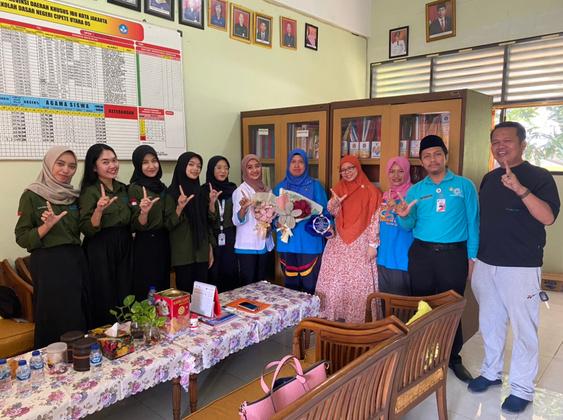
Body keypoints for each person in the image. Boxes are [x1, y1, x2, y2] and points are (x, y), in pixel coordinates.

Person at [467, 122, 560, 414]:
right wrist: (474, 260)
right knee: (490, 322)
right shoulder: (488, 178)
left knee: (524, 329)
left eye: (507, 140)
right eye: (495, 141)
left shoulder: (540, 177)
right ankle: (491, 372)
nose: (500, 146)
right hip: (486, 263)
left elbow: (548, 217)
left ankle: (521, 388)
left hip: (521, 266)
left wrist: (520, 189)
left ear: (522, 144)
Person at [396, 134, 478, 383]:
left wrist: (472, 258)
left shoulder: (464, 186)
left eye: (437, 154)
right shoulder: (416, 190)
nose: (432, 160)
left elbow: (473, 223)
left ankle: (453, 358)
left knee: (451, 306)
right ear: (421, 161)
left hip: (454, 255)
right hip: (422, 254)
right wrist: (402, 215)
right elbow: (408, 225)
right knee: (422, 305)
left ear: (445, 156)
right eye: (427, 156)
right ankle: (421, 354)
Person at [15, 146, 87, 347]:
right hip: (48, 262)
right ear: (48, 165)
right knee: (51, 314)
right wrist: (46, 227)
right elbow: (21, 237)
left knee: (76, 311)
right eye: (60, 164)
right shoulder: (32, 195)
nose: (66, 170)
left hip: (75, 258)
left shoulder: (73, 196)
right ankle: (51, 360)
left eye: (72, 166)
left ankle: (78, 356)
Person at [315, 155, 382, 323]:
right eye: (343, 170)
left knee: (357, 283)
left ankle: (357, 319)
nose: (347, 172)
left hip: (361, 241)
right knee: (335, 281)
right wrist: (335, 204)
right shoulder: (339, 188)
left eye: (350, 168)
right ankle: (333, 316)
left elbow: (375, 218)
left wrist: (373, 244)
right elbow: (332, 213)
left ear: (358, 168)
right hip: (339, 240)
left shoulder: (371, 191)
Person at [79, 144, 132, 328]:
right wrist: (99, 210)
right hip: (100, 246)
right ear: (94, 167)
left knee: (125, 290)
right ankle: (105, 335)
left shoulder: (123, 188)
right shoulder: (90, 191)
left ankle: (125, 332)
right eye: (105, 162)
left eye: (114, 160)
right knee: (104, 293)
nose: (112, 165)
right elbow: (86, 228)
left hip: (124, 243)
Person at [273, 149, 329, 294]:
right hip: (287, 244)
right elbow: (271, 216)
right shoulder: (280, 188)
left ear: (306, 165)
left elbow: (325, 213)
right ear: (288, 164)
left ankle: (310, 311)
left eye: (301, 162)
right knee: (290, 289)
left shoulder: (315, 186)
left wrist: (322, 225)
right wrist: (276, 223)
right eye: (293, 162)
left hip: (310, 244)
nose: (297, 165)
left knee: (310, 288)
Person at [128, 145, 181, 300]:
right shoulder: (134, 189)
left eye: (154, 161)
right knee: (146, 287)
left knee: (162, 286)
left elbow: (169, 222)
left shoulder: (163, 188)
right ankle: (146, 315)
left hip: (163, 242)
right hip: (144, 244)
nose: (151, 166)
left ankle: (161, 316)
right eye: (145, 162)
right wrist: (144, 212)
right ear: (138, 165)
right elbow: (135, 225)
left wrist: (179, 208)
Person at [168, 152, 214, 293]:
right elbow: (168, 225)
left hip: (201, 253)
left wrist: (210, 248)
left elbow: (208, 223)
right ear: (182, 166)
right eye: (191, 164)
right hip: (183, 255)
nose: (195, 169)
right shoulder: (171, 193)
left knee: (202, 296)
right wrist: (179, 208)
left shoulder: (201, 192)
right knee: (185, 296)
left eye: (199, 166)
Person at [232, 154, 274, 285]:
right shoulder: (240, 191)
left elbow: (273, 215)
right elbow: (236, 221)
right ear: (244, 170)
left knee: (263, 284)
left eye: (257, 166)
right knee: (248, 287)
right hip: (247, 246)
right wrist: (243, 209)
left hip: (265, 243)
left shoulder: (267, 190)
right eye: (250, 167)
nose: (254, 170)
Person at [377, 156, 413, 295]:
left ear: (407, 172)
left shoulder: (412, 195)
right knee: (385, 303)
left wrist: (399, 210)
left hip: (402, 259)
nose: (396, 175)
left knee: (400, 304)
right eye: (392, 171)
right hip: (383, 258)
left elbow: (411, 225)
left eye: (401, 171)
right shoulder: (386, 195)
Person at [203, 155, 239, 292]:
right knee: (214, 273)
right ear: (211, 169)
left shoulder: (233, 189)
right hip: (213, 236)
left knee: (231, 272)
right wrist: (212, 203)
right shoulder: (204, 190)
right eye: (218, 168)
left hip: (230, 236)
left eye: (226, 168)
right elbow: (207, 220)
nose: (223, 171)